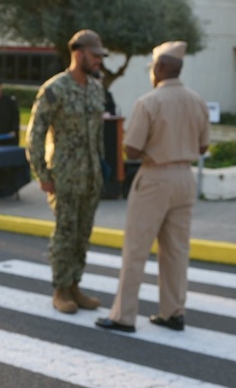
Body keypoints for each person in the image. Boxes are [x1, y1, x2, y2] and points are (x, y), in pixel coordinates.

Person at [95, 41, 210, 333]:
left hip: (155, 177)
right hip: (185, 177)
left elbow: (131, 150)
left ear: (159, 68)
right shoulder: (197, 100)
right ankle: (173, 312)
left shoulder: (149, 102)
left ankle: (124, 315)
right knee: (176, 250)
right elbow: (204, 145)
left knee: (136, 249)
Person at [27, 29, 108, 314]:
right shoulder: (55, 89)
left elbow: (98, 135)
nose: (99, 61)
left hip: (90, 177)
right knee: (65, 233)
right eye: (95, 55)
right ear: (78, 53)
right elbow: (34, 135)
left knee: (83, 234)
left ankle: (75, 285)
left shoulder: (97, 88)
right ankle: (61, 290)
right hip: (64, 176)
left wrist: (103, 167)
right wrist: (43, 175)